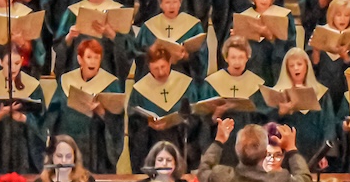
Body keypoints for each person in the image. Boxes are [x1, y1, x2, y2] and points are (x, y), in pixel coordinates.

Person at [44, 38, 125, 173]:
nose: (93, 61)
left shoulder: (111, 84)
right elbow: (53, 113)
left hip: (97, 147)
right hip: (69, 141)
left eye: (96, 57)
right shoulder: (67, 80)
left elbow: (117, 122)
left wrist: (102, 113)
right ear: (80, 59)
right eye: (89, 57)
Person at [191, 36, 269, 165]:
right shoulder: (213, 83)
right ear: (226, 58)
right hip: (221, 141)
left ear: (247, 57)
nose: (237, 62)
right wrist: (216, 114)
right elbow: (203, 117)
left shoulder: (256, 84)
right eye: (233, 57)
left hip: (248, 144)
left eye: (240, 57)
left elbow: (262, 116)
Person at [0, 41, 45, 175]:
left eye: (17, 63)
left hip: (24, 147)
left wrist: (24, 118)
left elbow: (42, 119)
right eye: (9, 63)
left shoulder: (32, 85)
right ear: (0, 61)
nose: (13, 68)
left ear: (23, 61)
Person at [127, 44, 195, 173]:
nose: (160, 72)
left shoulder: (184, 84)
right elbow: (133, 121)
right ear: (149, 67)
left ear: (170, 62)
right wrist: (147, 123)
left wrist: (181, 120)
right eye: (155, 68)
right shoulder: (140, 89)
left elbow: (194, 115)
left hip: (177, 138)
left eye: (163, 67)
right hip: (149, 141)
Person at [52, 0, 128, 77]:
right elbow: (59, 44)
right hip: (78, 70)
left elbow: (130, 47)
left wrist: (112, 34)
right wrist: (70, 36)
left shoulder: (119, 11)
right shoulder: (73, 11)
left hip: (108, 71)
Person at [270, 48, 339, 170]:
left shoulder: (320, 93)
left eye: (299, 64)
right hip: (286, 152)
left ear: (307, 66)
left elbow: (328, 124)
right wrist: (280, 113)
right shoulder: (279, 93)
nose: (296, 68)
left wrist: (324, 154)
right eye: (292, 65)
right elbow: (269, 125)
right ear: (287, 69)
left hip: (315, 149)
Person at [130, 0, 207, 81]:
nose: (172, 6)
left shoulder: (193, 26)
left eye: (175, 2)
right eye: (167, 2)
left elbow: (202, 56)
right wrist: (151, 53)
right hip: (156, 78)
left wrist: (187, 56)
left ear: (180, 3)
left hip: (183, 75)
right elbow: (138, 54)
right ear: (161, 4)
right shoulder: (149, 27)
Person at [232, 0, 294, 84]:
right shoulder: (244, 17)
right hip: (252, 69)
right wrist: (236, 40)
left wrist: (271, 38)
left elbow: (291, 46)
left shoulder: (284, 16)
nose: (264, 0)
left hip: (275, 69)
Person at [308, 0, 350, 107]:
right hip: (324, 89)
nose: (342, 19)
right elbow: (313, 69)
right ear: (332, 15)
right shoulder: (322, 32)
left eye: (346, 15)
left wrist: (346, 58)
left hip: (346, 93)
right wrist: (316, 52)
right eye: (338, 15)